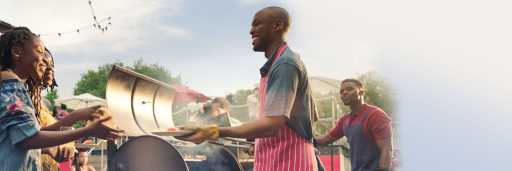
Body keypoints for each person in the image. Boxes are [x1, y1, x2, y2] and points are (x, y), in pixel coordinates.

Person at [183, 6, 321, 171]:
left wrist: (215, 131)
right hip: (276, 157)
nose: (251, 31)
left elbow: (272, 125)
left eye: (257, 24)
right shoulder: (278, 64)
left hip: (289, 161)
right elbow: (309, 115)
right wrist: (261, 141)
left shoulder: (285, 64)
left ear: (277, 26)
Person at [0, 26, 123, 171]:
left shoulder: (12, 86)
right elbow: (27, 139)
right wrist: (87, 131)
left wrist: (79, 115)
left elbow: (21, 137)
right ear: (16, 52)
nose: (44, 59)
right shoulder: (10, 86)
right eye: (39, 52)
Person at [315, 79, 393, 171]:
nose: (344, 92)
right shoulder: (345, 120)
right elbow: (325, 139)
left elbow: (387, 149)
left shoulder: (375, 115)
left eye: (349, 89)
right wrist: (303, 139)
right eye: (341, 91)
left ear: (361, 91)